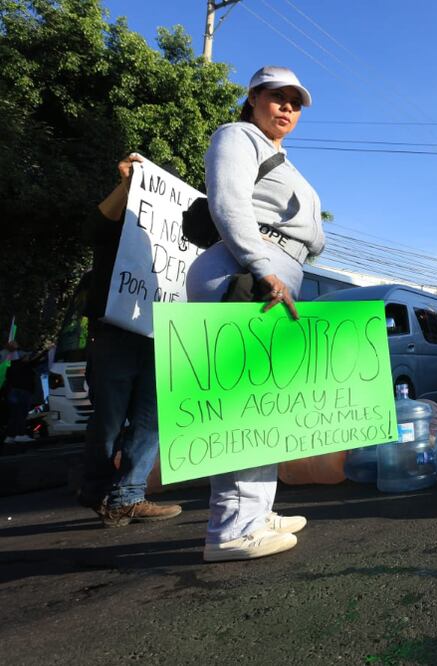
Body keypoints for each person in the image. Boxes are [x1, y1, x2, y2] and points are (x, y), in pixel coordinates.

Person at [187, 66, 324, 562]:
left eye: (296, 101)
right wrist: (263, 268)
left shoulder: (277, 154)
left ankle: (255, 512)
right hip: (245, 273)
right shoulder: (237, 135)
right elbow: (228, 202)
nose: (287, 107)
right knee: (240, 403)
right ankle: (230, 527)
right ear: (252, 98)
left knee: (264, 404)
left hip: (269, 275)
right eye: (277, 97)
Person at [78, 154, 183, 527]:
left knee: (151, 420)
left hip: (161, 335)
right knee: (109, 418)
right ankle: (97, 490)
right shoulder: (120, 217)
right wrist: (126, 187)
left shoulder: (179, 233)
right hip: (116, 333)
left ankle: (127, 497)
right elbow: (92, 229)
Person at [2, 341, 35, 444]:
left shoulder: (9, 363)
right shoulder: (22, 365)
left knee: (14, 415)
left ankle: (10, 436)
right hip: (23, 391)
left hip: (13, 391)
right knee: (21, 414)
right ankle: (20, 434)